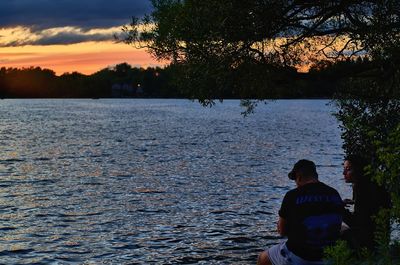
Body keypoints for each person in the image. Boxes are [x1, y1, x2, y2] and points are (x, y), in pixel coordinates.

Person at [258, 159, 344, 265]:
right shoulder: (334, 193)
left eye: (295, 180)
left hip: (300, 256)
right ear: (315, 175)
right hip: (328, 256)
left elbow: (282, 231)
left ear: (298, 177)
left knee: (263, 258)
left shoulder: (292, 195)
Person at [342, 154, 391, 251]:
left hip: (367, 243)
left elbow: (357, 222)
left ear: (358, 170)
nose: (344, 173)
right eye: (344, 168)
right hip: (382, 239)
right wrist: (354, 202)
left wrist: (339, 209)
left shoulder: (362, 189)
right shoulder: (373, 185)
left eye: (348, 169)